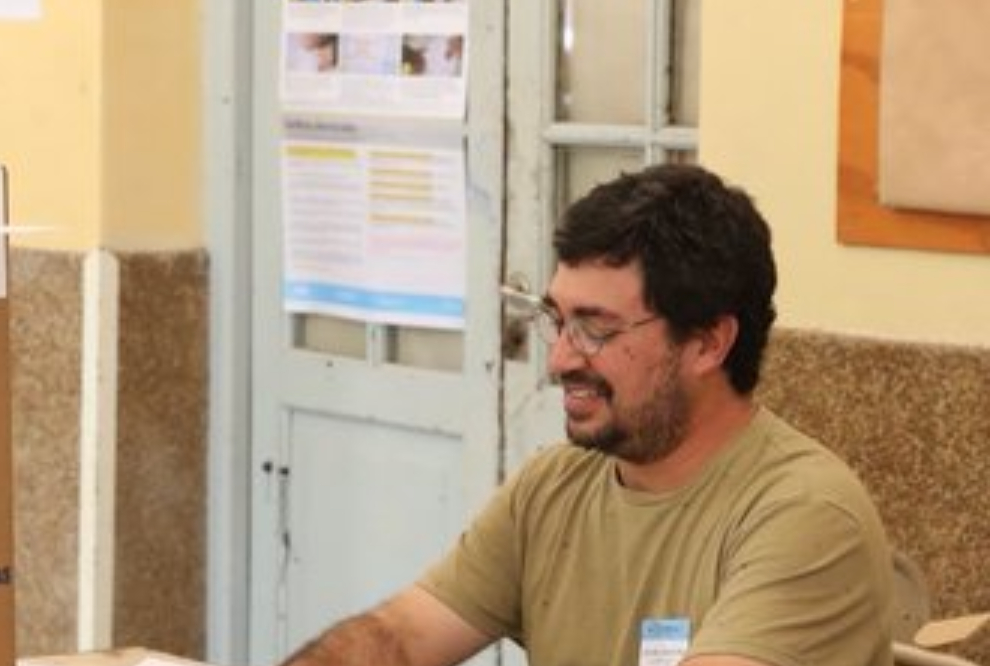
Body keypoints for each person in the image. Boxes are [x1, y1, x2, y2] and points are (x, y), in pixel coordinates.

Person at [282, 163, 895, 666]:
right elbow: (400, 638)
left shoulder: (806, 515)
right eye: (557, 319)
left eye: (595, 330)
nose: (558, 359)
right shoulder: (551, 488)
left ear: (708, 343)